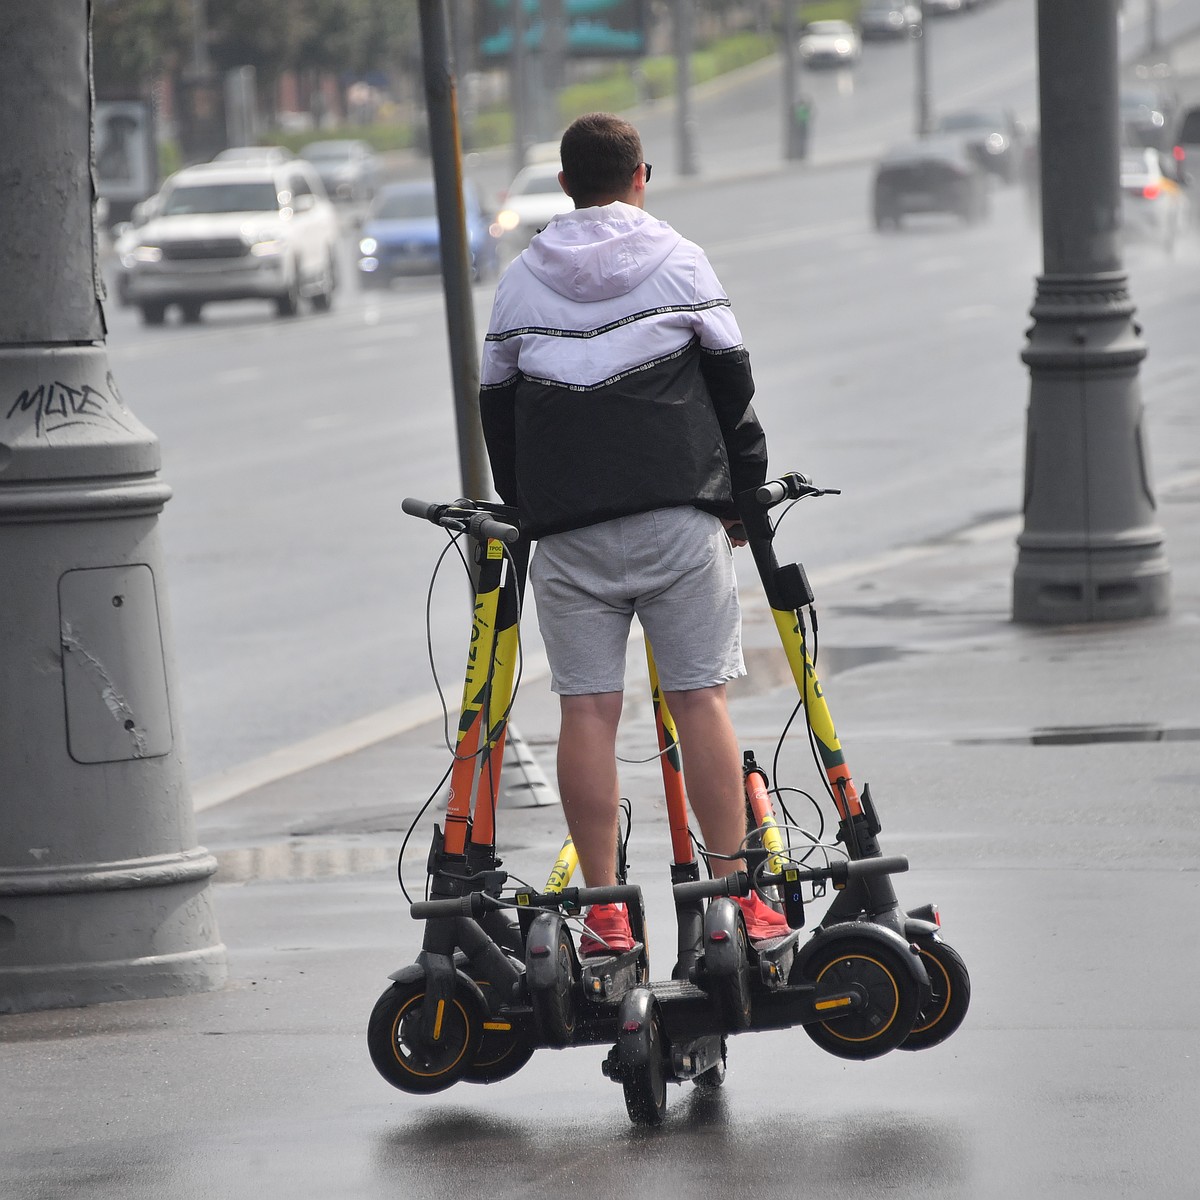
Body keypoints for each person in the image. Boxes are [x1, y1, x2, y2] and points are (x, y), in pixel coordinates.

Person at [479, 113, 788, 956]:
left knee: (587, 711)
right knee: (699, 701)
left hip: (569, 535)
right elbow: (733, 391)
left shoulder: (520, 281)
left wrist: (529, 504)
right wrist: (741, 502)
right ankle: (739, 899)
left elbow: (498, 413)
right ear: (641, 175)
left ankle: (608, 909)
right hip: (676, 518)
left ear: (564, 185)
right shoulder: (679, 259)